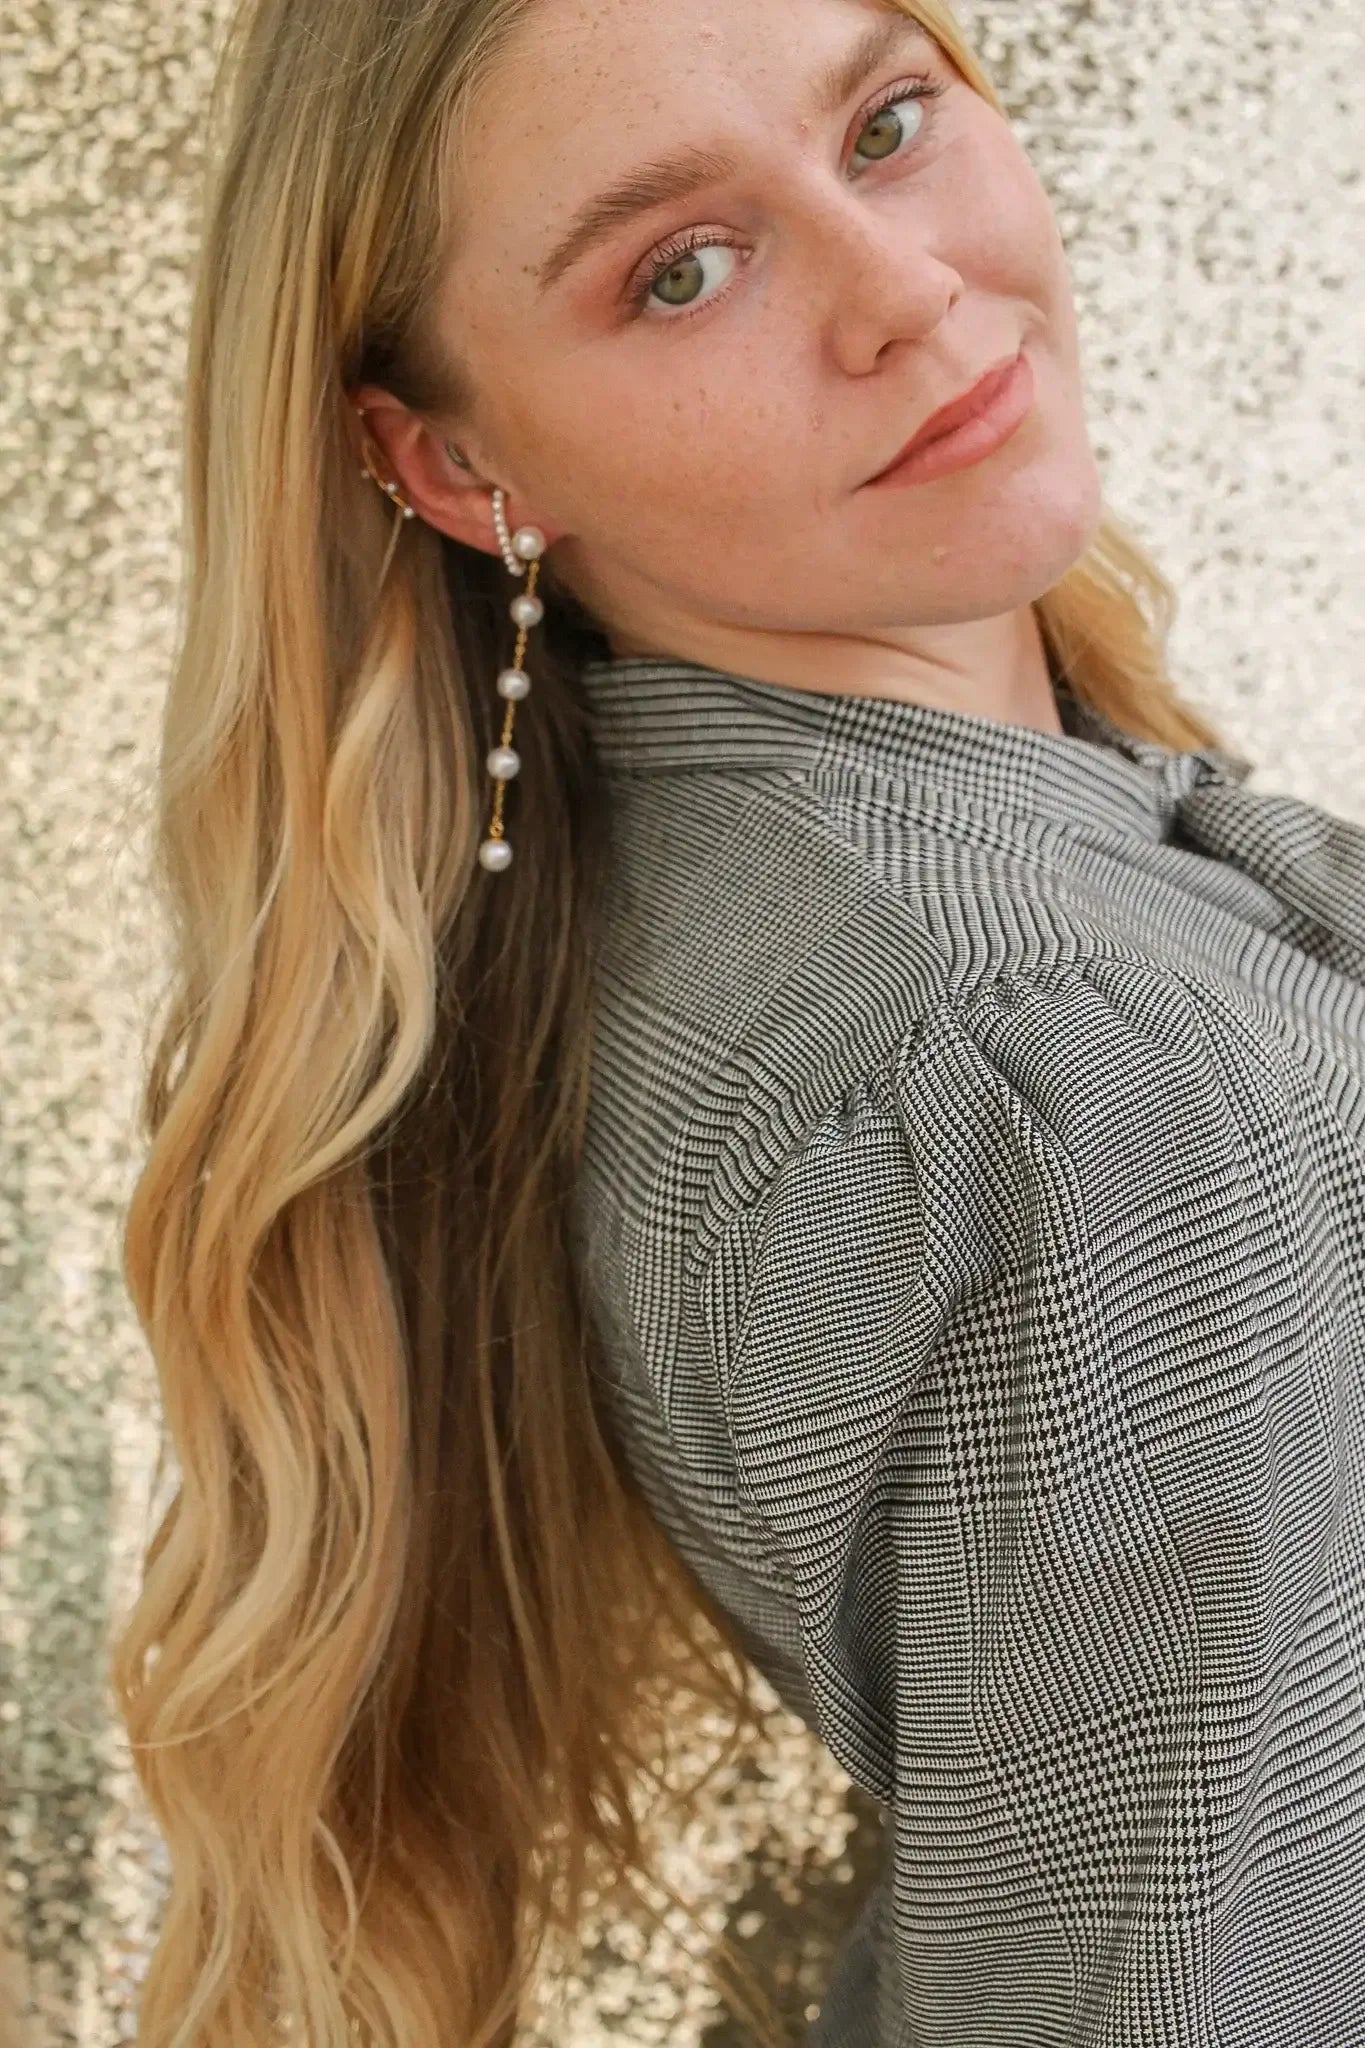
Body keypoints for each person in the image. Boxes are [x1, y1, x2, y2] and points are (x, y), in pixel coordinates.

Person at [109, 0, 1365, 2040]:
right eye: (677, 271)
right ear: (452, 462)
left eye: (881, 122)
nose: (900, 287)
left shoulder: (697, 911)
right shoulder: (1055, 1062)